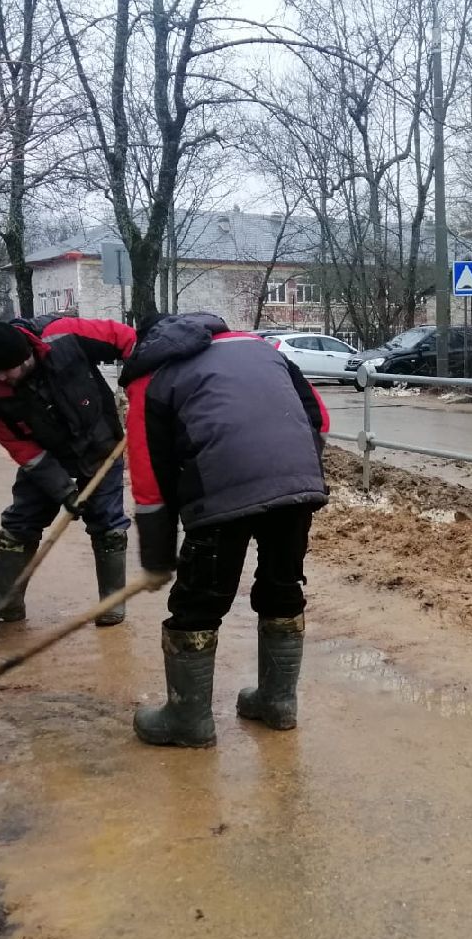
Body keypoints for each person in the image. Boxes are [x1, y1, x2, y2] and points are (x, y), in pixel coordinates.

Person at [120, 312, 330, 747]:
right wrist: (290, 463)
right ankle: (277, 702)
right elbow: (320, 418)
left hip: (222, 490)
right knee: (282, 584)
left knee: (199, 601)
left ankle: (188, 720)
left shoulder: (151, 377)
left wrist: (158, 558)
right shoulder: (260, 347)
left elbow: (149, 479)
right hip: (298, 483)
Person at [0, 314, 137, 627]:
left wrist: (142, 384)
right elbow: (20, 446)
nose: (1, 377)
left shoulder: (64, 336)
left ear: (27, 356)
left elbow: (128, 340)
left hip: (100, 443)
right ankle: (5, 599)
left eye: (6, 370)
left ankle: (111, 602)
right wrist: (64, 490)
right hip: (46, 453)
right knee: (18, 521)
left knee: (107, 523)